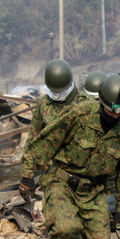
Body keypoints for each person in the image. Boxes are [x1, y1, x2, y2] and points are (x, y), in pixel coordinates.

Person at [20, 73, 120, 239]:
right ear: (102, 102)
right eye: (111, 109)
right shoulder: (78, 114)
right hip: (62, 181)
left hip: (93, 191)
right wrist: (28, 175)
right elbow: (45, 141)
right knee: (66, 228)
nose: (116, 114)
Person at [19, 59, 88, 203]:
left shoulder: (86, 104)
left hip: (83, 176)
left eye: (61, 91)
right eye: (54, 91)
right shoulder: (44, 104)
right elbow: (34, 139)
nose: (57, 95)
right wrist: (28, 174)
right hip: (55, 175)